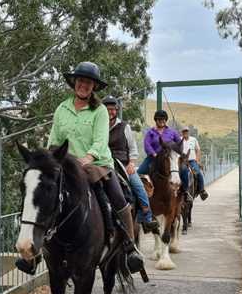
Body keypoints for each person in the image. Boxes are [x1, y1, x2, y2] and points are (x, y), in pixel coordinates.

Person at [15, 62, 145, 276]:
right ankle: (33, 254)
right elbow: (54, 140)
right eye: (80, 80)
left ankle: (129, 247)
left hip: (96, 163)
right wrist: (49, 161)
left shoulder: (100, 111)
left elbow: (101, 141)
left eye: (88, 82)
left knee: (119, 197)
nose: (83, 85)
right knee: (40, 194)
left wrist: (87, 158)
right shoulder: (62, 109)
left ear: (93, 86)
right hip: (65, 165)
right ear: (74, 83)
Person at [102, 96, 160, 234]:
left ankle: (147, 216)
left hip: (122, 163)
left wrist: (131, 164)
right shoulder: (97, 126)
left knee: (138, 185)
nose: (110, 112)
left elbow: (133, 148)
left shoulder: (124, 126)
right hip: (103, 162)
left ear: (117, 110)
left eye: (113, 109)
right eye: (107, 109)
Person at [135, 110, 187, 196]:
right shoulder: (150, 132)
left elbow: (179, 144)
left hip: (170, 157)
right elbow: (147, 145)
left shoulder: (172, 132)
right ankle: (141, 195)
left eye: (163, 119)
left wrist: (179, 153)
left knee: (184, 170)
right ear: (156, 120)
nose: (161, 121)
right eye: (159, 119)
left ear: (166, 120)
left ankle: (185, 192)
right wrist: (153, 153)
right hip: (154, 157)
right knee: (138, 173)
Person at [180, 126, 209, 201]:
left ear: (188, 132)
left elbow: (198, 150)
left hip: (192, 161)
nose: (185, 133)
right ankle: (183, 190)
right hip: (182, 161)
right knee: (180, 173)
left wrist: (197, 160)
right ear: (182, 132)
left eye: (186, 131)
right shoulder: (179, 140)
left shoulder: (193, 139)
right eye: (184, 131)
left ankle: (202, 191)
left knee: (198, 173)